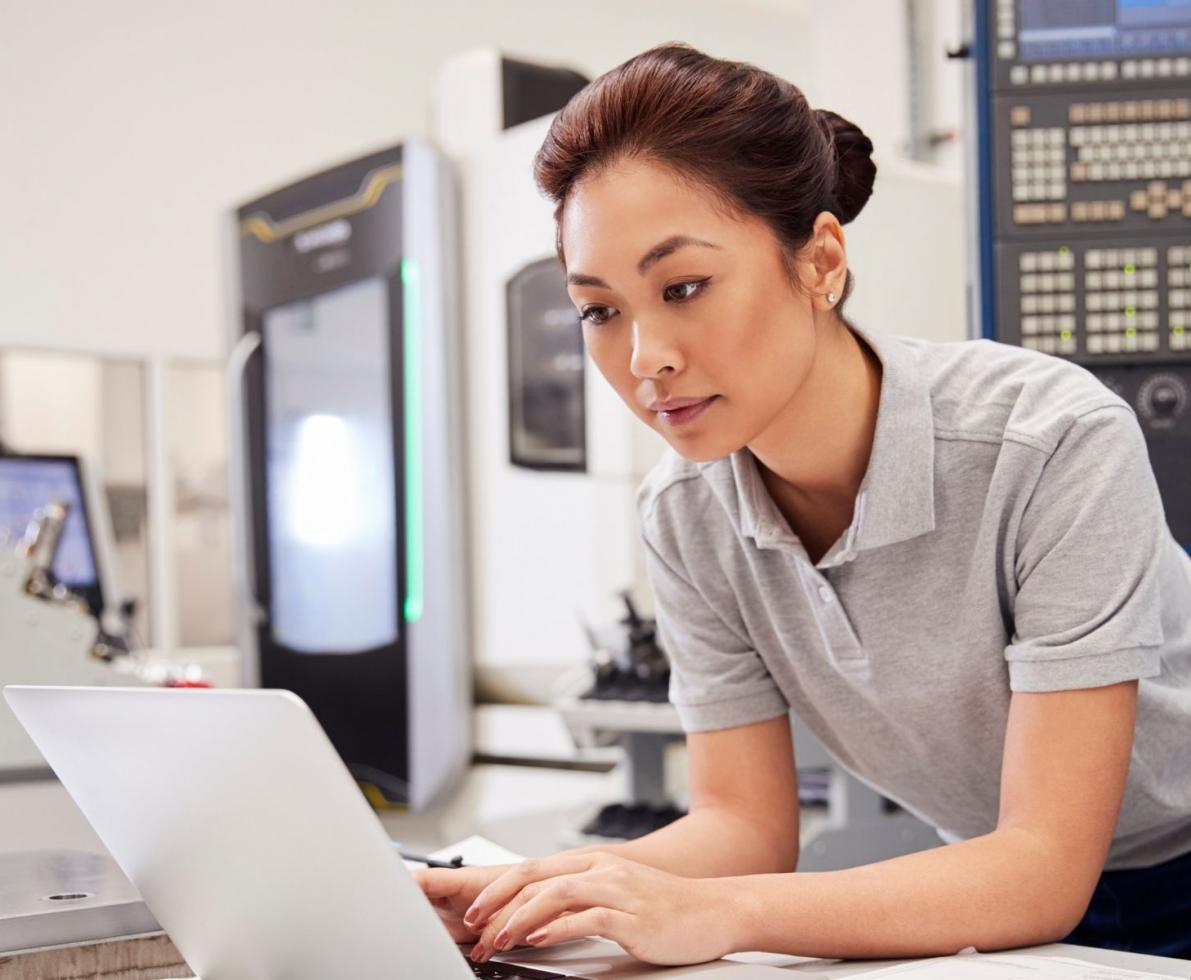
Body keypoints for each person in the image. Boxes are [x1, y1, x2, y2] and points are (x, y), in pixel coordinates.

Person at [416, 43, 1191, 965]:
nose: (643, 357)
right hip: (998, 905)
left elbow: (1040, 868)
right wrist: (538, 894)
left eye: (684, 287)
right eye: (599, 309)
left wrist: (728, 915)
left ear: (820, 260)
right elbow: (741, 825)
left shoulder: (1049, 442)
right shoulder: (685, 515)